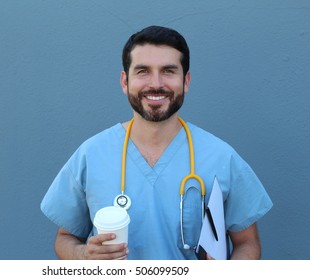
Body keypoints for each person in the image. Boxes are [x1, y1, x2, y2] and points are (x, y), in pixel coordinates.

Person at [40, 25, 273, 260]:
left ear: (186, 81)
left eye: (168, 71)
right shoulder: (91, 155)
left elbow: (247, 244)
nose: (156, 83)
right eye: (143, 71)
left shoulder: (221, 157)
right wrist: (84, 255)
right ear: (124, 81)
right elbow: (65, 239)